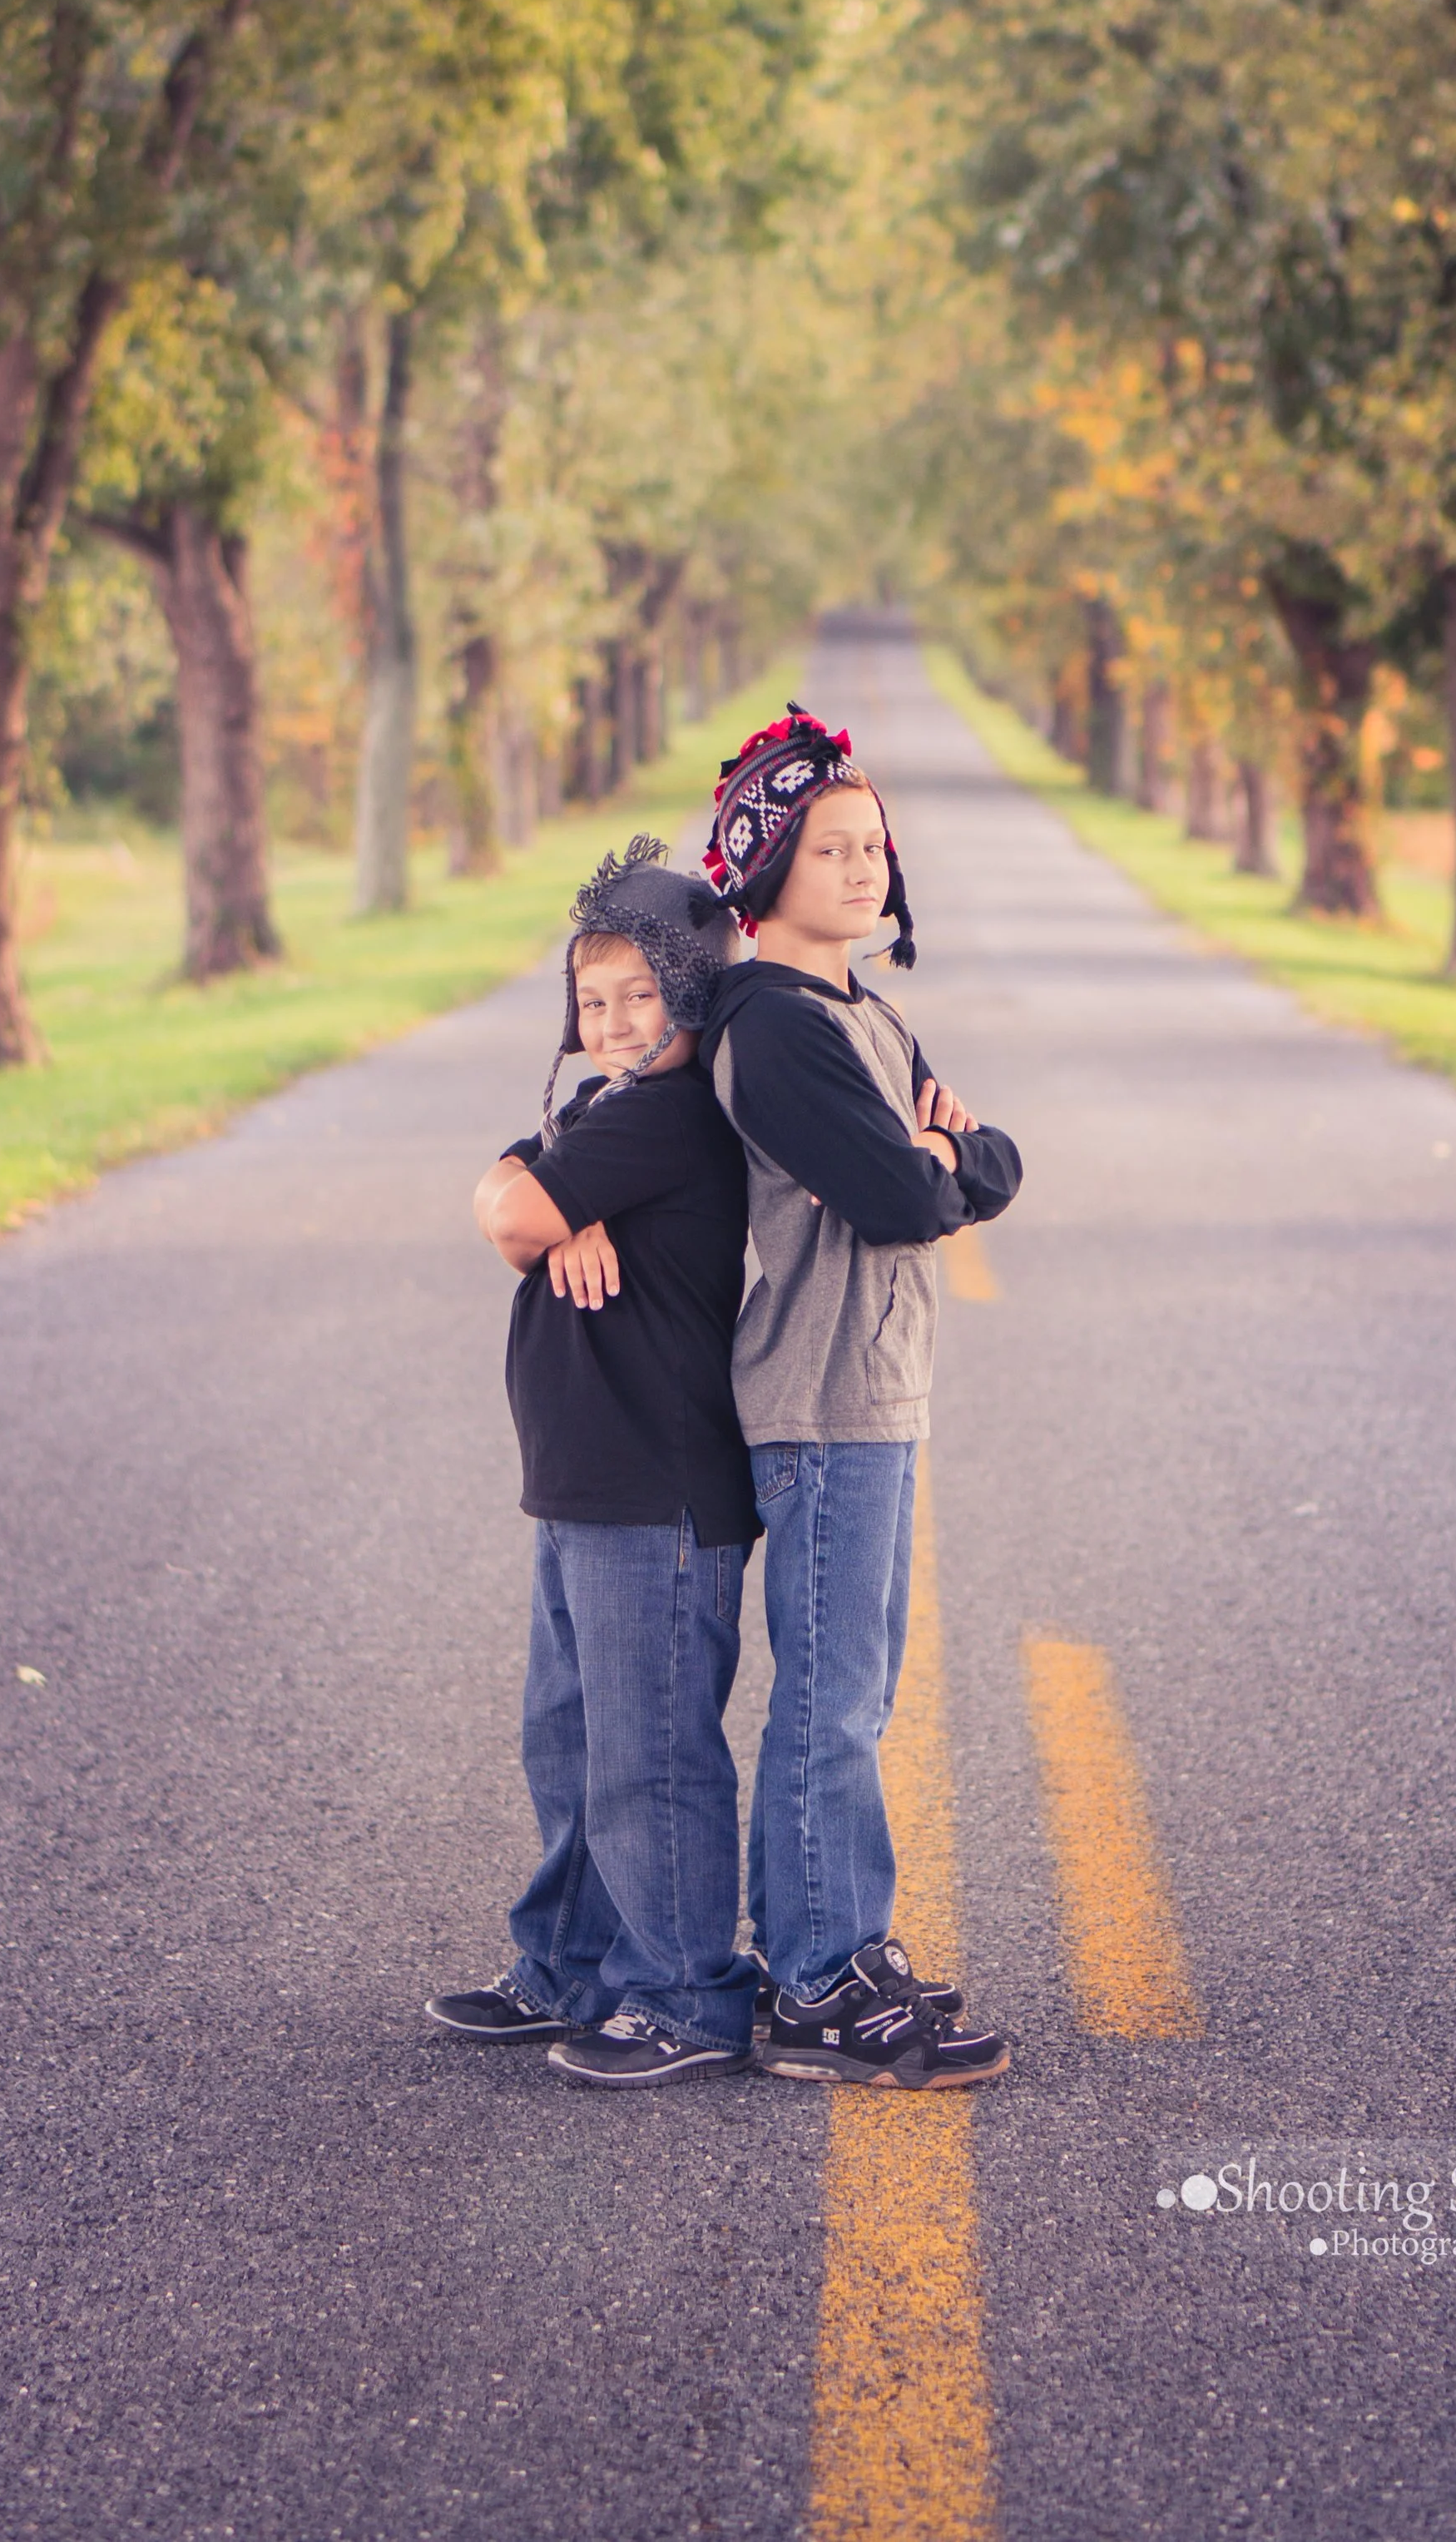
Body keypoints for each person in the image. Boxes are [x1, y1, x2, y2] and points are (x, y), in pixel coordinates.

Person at [700, 705, 1023, 2091]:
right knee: (832, 1699)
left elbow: (987, 1154)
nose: (865, 866)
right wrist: (928, 1162)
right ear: (766, 866)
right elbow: (907, 1192)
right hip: (821, 1400)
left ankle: (833, 1941)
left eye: (874, 844)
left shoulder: (859, 1011)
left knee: (858, 1689)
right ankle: (818, 1982)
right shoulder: (775, 1025)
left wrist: (939, 1158)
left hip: (876, 1396)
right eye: (832, 845)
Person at [428, 838, 760, 2087]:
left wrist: (541, 1209)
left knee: (647, 1752)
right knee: (566, 1743)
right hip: (583, 1488)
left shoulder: (671, 1116)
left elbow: (513, 1208)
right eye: (593, 997)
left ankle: (686, 1991)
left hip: (654, 1492)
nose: (615, 1019)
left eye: (641, 993)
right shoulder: (600, 1116)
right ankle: (570, 1961)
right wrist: (547, 1201)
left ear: (693, 990)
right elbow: (508, 1183)